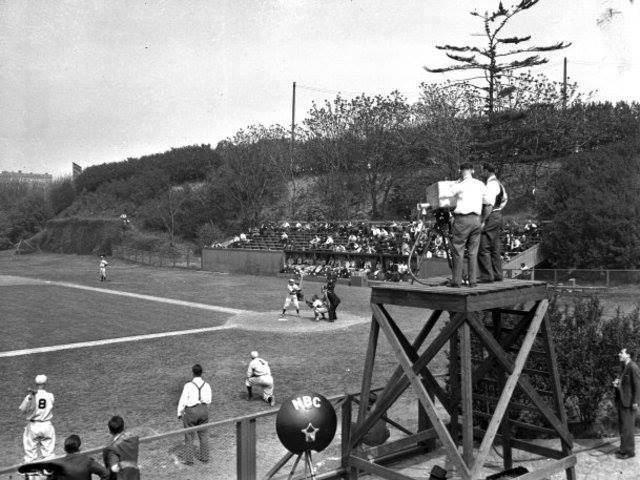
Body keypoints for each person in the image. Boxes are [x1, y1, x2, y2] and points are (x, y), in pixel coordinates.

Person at [448, 163, 493, 287]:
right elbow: (489, 205)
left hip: (462, 220)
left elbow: (447, 202)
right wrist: (482, 220)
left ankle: (456, 281)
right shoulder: (480, 185)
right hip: (476, 220)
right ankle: (472, 281)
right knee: (473, 252)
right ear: (472, 170)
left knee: (458, 250)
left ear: (460, 171)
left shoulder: (458, 186)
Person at [478, 164, 508, 283]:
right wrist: (499, 208)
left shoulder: (491, 184)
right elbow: (505, 198)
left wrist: (483, 220)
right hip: (497, 215)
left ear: (486, 171)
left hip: (490, 216)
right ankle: (497, 274)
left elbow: (489, 204)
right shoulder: (498, 183)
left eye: (482, 171)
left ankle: (487, 276)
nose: (481, 174)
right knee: (494, 247)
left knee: (483, 247)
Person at [177, 364, 212, 464]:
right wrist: (205, 411)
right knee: (204, 434)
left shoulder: (188, 385)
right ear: (201, 373)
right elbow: (209, 401)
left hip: (191, 412)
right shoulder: (207, 385)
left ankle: (189, 460)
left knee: (189, 436)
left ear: (193, 373)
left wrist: (179, 413)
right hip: (204, 410)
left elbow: (183, 400)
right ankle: (205, 458)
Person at [19, 374, 55, 462]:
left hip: (33, 426)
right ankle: (48, 472)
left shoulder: (30, 396)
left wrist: (29, 399)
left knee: (30, 455)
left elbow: (22, 409)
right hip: (47, 425)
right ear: (45, 383)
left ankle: (32, 473)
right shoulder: (50, 396)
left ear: (36, 384)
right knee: (49, 454)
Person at [612, 348, 640, 459]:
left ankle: (630, 452)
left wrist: (636, 402)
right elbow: (625, 384)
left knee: (628, 427)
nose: (619, 354)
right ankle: (624, 449)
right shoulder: (624, 367)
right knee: (623, 427)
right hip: (622, 401)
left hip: (629, 403)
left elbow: (637, 386)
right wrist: (617, 384)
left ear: (628, 355)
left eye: (621, 353)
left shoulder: (633, 367)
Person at [102, 416, 139, 480]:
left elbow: (114, 468)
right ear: (123, 427)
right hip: (134, 476)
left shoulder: (111, 448)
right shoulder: (134, 439)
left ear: (110, 431)